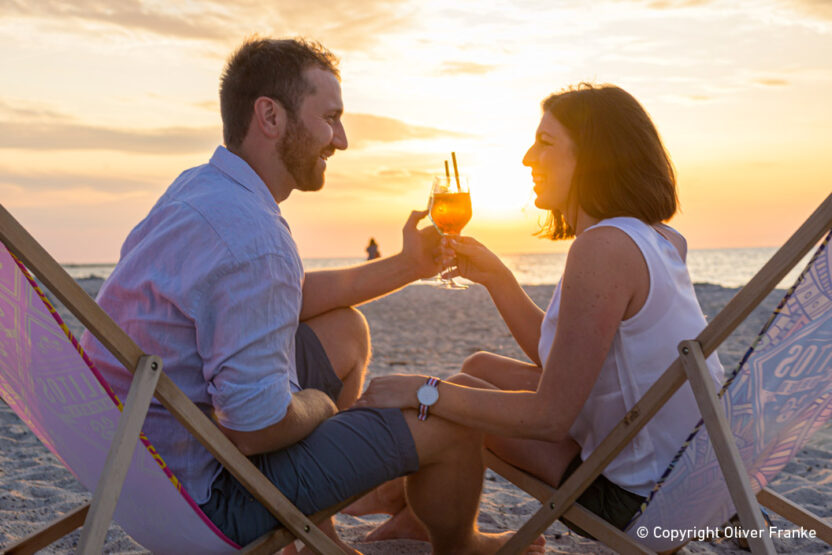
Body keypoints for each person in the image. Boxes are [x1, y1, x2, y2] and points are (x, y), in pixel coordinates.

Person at [81, 37, 543, 555]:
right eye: (330, 118)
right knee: (452, 419)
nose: (341, 140)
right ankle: (462, 546)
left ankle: (319, 530)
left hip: (135, 470)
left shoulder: (201, 190)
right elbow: (254, 431)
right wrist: (321, 407)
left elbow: (289, 300)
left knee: (345, 329)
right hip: (210, 499)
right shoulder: (255, 240)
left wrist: (411, 265)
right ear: (270, 117)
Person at [354, 83, 725, 542]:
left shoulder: (602, 249)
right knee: (480, 367)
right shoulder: (661, 239)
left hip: (643, 502)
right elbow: (570, 359)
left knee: (457, 398)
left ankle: (412, 512)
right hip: (695, 477)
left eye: (545, 143)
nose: (529, 158)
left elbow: (550, 417)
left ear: (594, 158)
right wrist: (499, 279)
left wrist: (423, 391)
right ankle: (410, 512)